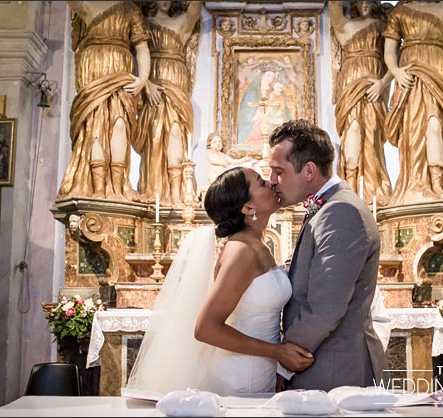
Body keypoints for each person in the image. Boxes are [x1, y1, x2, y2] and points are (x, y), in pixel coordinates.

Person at [123, 167, 314, 396]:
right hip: (241, 376)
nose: (271, 183)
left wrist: (275, 360)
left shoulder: (255, 244)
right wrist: (278, 353)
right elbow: (206, 329)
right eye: (261, 183)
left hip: (258, 368)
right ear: (247, 207)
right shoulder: (241, 250)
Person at [267, 119, 386, 391]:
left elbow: (325, 306)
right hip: (324, 362)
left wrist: (285, 361)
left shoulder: (339, 212)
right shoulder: (329, 207)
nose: (272, 181)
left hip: (333, 368)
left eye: (278, 171)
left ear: (308, 170)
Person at [57, 1, 150, 201]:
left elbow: (141, 46)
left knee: (120, 124)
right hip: (94, 68)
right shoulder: (86, 4)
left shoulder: (129, 9)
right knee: (95, 127)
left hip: (121, 70)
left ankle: (118, 186)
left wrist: (143, 78)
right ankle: (97, 188)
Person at [383, 0, 443, 205]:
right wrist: (396, 72)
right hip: (411, 73)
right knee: (413, 130)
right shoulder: (401, 12)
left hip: (436, 70)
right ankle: (416, 182)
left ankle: (438, 183)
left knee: (435, 125)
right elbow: (389, 51)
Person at [131, 1, 201, 206]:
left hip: (176, 84)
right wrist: (146, 83)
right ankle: (154, 190)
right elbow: (136, 56)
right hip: (154, 85)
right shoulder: (143, 23)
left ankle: (177, 192)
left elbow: (195, 9)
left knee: (176, 134)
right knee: (155, 137)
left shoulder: (181, 23)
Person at [329, 0, 393, 206]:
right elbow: (335, 10)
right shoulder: (345, 26)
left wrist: (383, 84)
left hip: (373, 88)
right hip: (350, 86)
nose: (365, 4)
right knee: (352, 132)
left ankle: (372, 189)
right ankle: (350, 187)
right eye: (361, 0)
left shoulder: (383, 27)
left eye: (370, 0)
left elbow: (395, 60)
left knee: (372, 137)